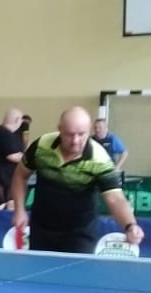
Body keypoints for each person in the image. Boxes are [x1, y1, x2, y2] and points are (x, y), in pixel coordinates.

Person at [12, 106, 143, 254]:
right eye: (69, 134)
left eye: (81, 134)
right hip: (42, 228)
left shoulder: (99, 159)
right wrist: (19, 210)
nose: (75, 141)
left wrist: (130, 225)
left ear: (89, 131)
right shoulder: (41, 146)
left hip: (80, 232)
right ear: (60, 129)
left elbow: (115, 198)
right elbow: (20, 175)